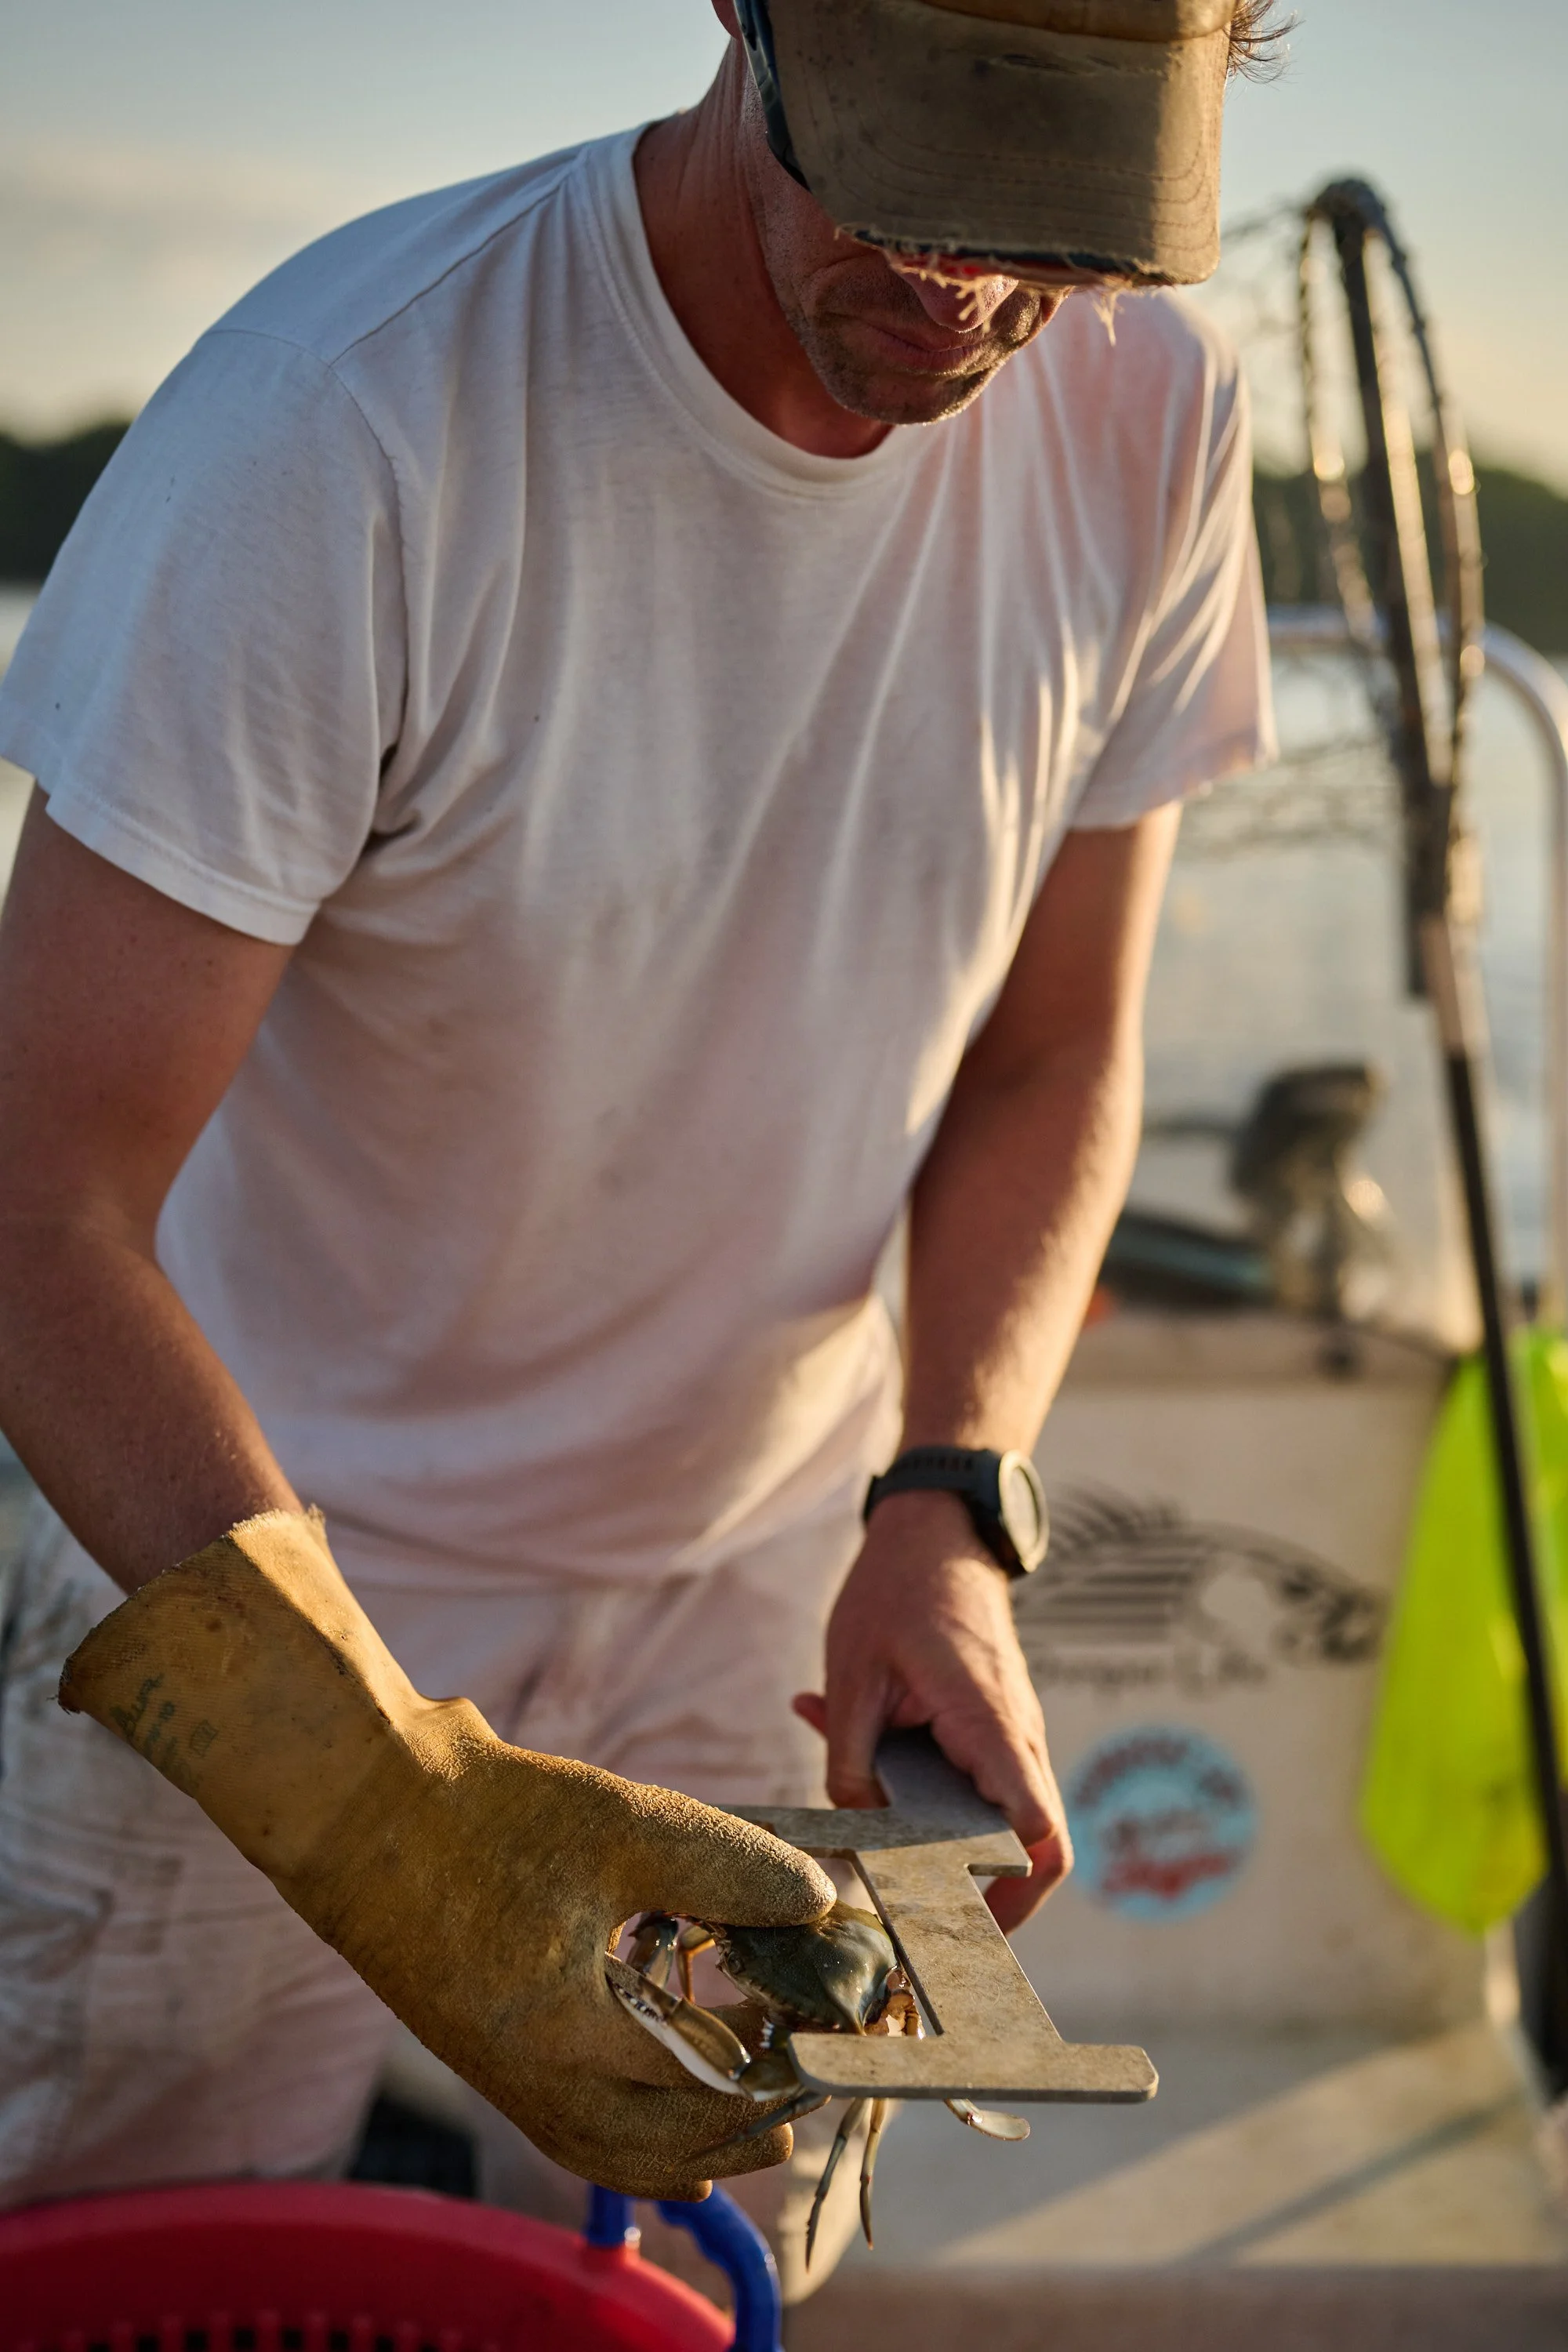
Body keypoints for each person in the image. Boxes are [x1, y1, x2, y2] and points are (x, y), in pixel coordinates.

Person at [0, 0, 1274, 2285]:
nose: (973, 302)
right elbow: (33, 1202)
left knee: (698, 2289)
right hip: (255, 1581)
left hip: (754, 1595)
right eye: (914, 185)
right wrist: (388, 1801)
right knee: (155, 2281)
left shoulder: (1152, 424)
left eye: (1057, 234)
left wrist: (951, 1503)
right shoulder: (352, 424)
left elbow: (1051, 1059)